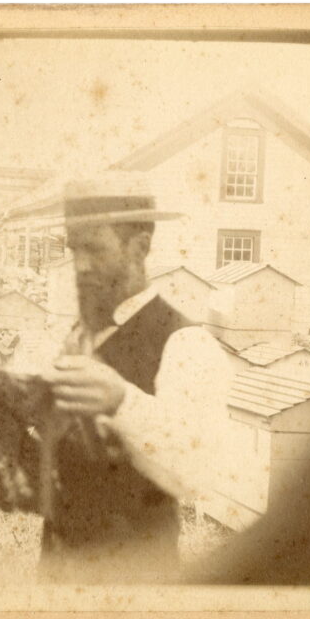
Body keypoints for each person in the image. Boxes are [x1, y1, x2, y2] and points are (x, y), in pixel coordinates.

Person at [39, 175, 232, 583]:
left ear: (140, 247)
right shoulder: (79, 333)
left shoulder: (186, 342)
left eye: (94, 248)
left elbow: (199, 474)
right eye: (74, 249)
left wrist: (121, 401)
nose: (80, 265)